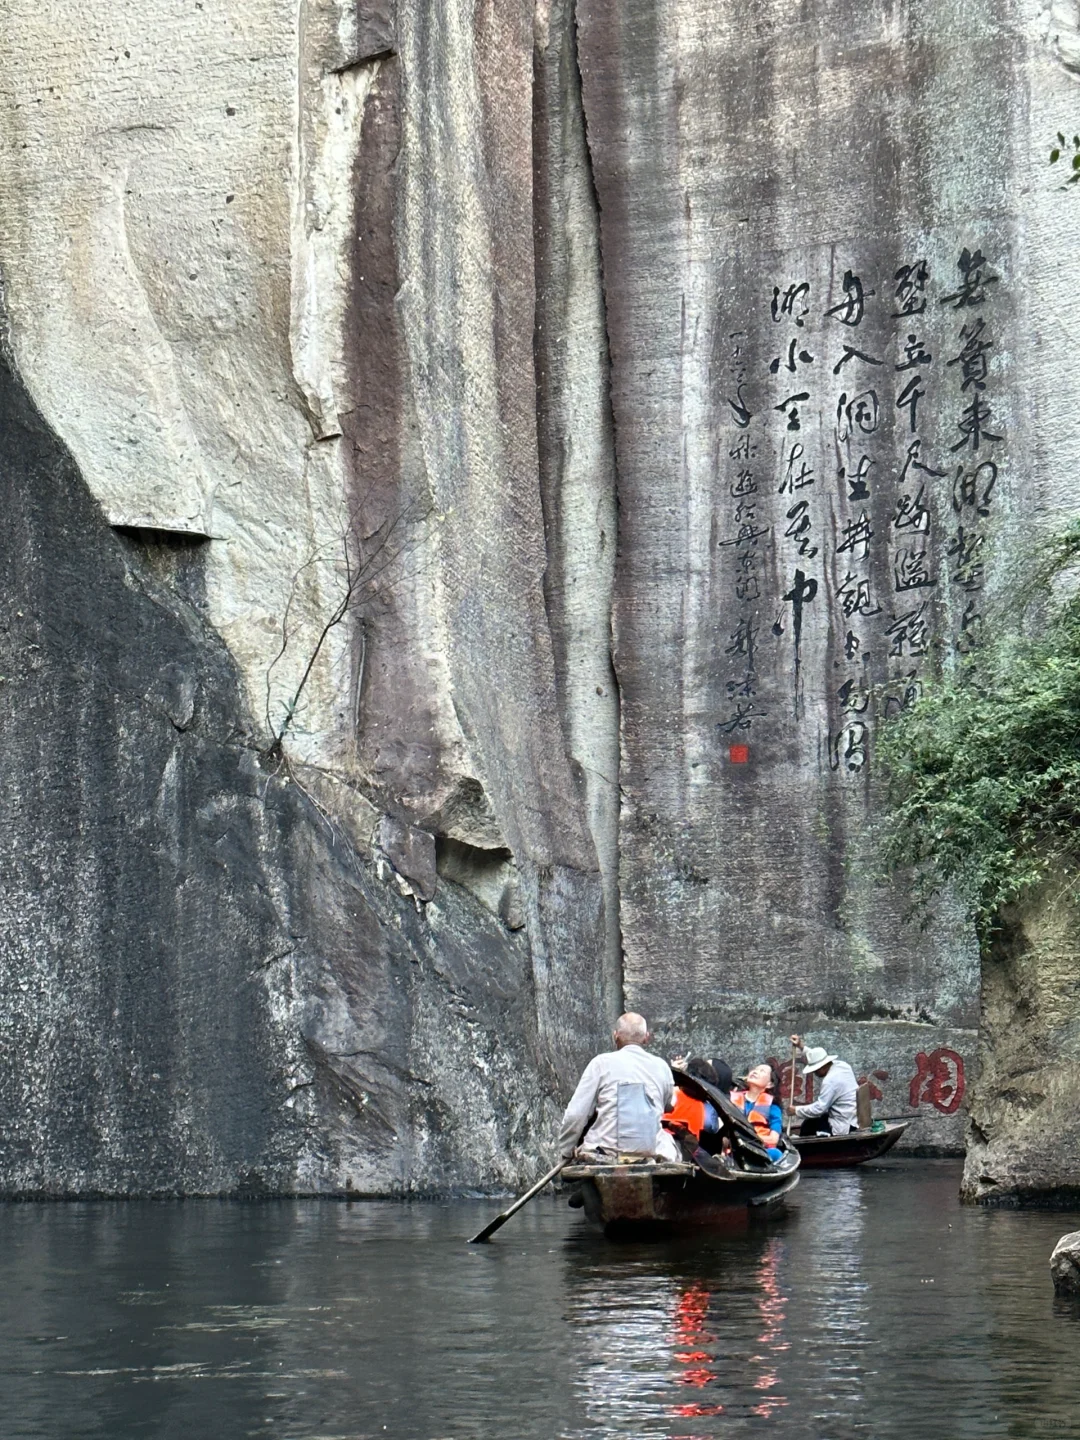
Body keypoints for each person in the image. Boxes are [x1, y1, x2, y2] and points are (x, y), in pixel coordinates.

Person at [559, 1012, 680, 1162]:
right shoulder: (662, 1067)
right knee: (672, 1146)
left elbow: (575, 1115)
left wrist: (566, 1151)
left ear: (615, 1036)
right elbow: (669, 1105)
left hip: (604, 1151)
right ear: (646, 1037)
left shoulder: (601, 1063)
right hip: (650, 1152)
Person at [790, 1035, 858, 1136]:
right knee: (810, 1122)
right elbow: (815, 1056)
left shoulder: (830, 1081)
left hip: (843, 1123)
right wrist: (801, 1046)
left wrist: (796, 1110)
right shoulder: (842, 1065)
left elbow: (819, 1108)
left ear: (822, 1067)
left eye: (815, 1070)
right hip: (852, 1117)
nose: (815, 1073)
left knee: (808, 1127)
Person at [731, 1063, 784, 1161]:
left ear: (770, 1084)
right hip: (733, 1148)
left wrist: (748, 1139)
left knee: (775, 1153)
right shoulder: (730, 1099)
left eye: (762, 1071)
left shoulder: (773, 1107)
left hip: (759, 1149)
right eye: (755, 1069)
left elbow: (773, 1139)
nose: (755, 1071)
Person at [664, 1057, 722, 1142]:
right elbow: (713, 1127)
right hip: (686, 1151)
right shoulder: (706, 1110)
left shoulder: (670, 1093)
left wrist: (671, 1072)